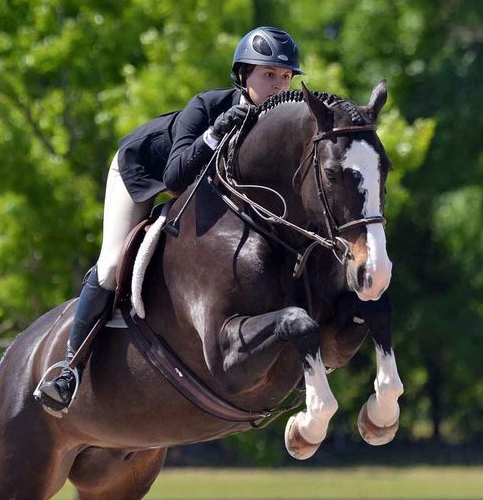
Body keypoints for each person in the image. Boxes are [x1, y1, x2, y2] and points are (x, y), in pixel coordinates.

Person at [36, 26, 303, 416]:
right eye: (268, 75)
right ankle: (69, 369)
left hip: (195, 193)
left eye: (285, 76)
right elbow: (176, 178)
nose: (280, 85)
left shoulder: (275, 129)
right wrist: (217, 130)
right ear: (243, 75)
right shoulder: (207, 107)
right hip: (143, 173)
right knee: (112, 264)